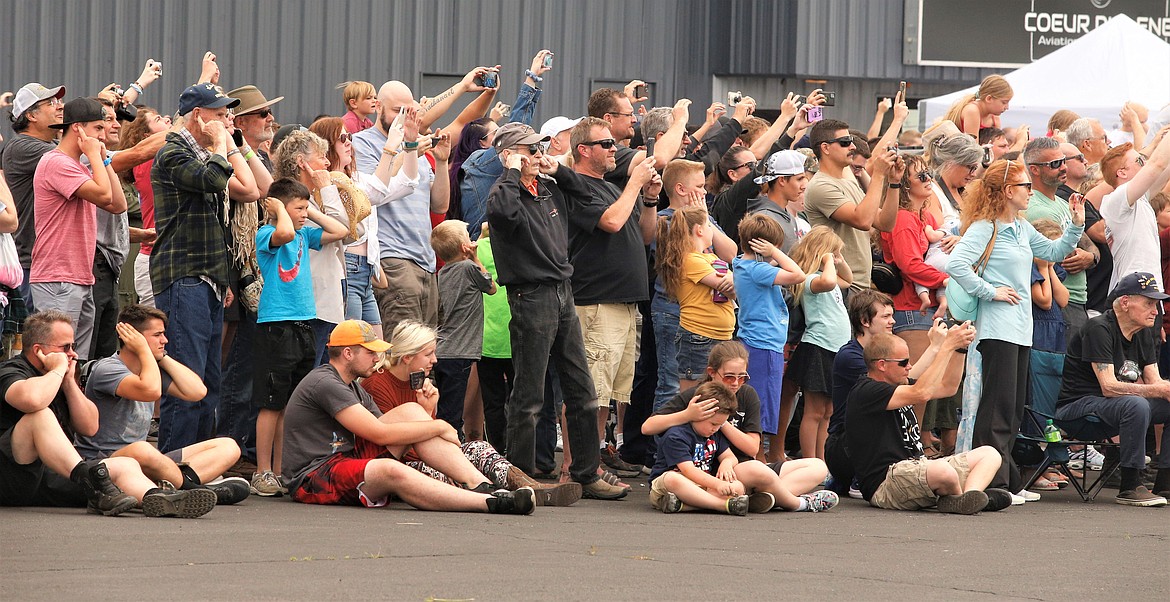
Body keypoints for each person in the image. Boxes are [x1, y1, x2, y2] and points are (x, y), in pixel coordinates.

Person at [484, 123, 627, 500]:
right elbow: (503, 215)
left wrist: (557, 169)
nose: (536, 155)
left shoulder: (547, 187)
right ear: (509, 154)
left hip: (562, 291)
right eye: (529, 150)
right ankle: (519, 476)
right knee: (528, 393)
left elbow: (583, 190)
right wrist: (513, 171)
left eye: (538, 149)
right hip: (531, 294)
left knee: (582, 388)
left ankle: (585, 472)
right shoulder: (504, 190)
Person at [280, 320, 535, 514]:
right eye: (370, 352)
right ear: (348, 353)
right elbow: (379, 434)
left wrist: (425, 413)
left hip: (345, 458)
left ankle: (480, 484)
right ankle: (489, 502)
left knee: (412, 414)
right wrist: (438, 426)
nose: (377, 358)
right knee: (391, 469)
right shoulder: (325, 382)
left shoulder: (352, 385)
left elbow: (396, 431)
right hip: (314, 476)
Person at [945, 159, 1085, 503]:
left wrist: (1076, 227)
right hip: (996, 327)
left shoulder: (1021, 227)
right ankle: (992, 481)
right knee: (998, 408)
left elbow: (1053, 252)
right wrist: (989, 291)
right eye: (1025, 186)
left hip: (1021, 328)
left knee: (1012, 409)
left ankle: (1004, 479)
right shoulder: (983, 227)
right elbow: (956, 264)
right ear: (1008, 191)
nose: (1029, 192)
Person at [0, 310, 215, 518]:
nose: (73, 354)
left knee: (126, 465)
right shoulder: (12, 370)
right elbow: (32, 400)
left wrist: (68, 384)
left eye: (73, 346)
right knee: (39, 416)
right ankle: (91, 481)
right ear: (38, 349)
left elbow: (90, 426)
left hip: (54, 478)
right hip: (12, 477)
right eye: (66, 347)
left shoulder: (60, 378)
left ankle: (162, 499)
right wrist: (57, 370)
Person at [360, 320, 581, 506]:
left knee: (479, 447)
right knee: (445, 470)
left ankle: (529, 486)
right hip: (401, 465)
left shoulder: (417, 381)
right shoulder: (377, 384)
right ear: (407, 356)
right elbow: (398, 443)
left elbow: (426, 436)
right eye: (428, 354)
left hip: (424, 455)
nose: (434, 360)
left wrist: (429, 411)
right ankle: (498, 492)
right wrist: (430, 415)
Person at [150, 83, 256, 454]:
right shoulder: (173, 153)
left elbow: (250, 189)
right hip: (184, 275)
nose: (227, 120)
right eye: (220, 113)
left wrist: (223, 278)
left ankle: (195, 463)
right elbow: (213, 179)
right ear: (199, 116)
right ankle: (171, 466)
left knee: (208, 379)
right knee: (186, 377)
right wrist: (221, 146)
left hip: (206, 277)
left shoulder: (207, 153)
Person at [351, 68, 491, 336]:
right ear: (378, 107)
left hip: (425, 259)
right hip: (393, 258)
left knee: (424, 350)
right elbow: (373, 191)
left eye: (408, 112)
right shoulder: (363, 143)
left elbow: (439, 206)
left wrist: (440, 162)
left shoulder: (414, 143)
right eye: (395, 111)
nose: (402, 119)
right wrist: (408, 150)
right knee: (403, 349)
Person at [74, 304, 250, 505]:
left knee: (229, 446)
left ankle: (174, 485)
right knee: (142, 449)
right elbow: (150, 391)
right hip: (107, 462)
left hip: (148, 461)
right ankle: (195, 490)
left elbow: (197, 392)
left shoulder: (151, 368)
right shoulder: (108, 369)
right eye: (157, 335)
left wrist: (162, 357)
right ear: (131, 336)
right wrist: (143, 350)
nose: (164, 340)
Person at [565, 116, 661, 477]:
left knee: (609, 393)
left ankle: (592, 462)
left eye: (613, 144)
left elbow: (645, 235)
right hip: (596, 301)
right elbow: (611, 222)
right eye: (606, 144)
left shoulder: (611, 187)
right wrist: (636, 183)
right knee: (588, 390)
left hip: (624, 302)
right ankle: (577, 465)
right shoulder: (578, 187)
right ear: (583, 150)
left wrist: (649, 199)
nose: (614, 150)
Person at [642, 342, 838, 512]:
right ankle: (786, 501)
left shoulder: (747, 395)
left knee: (817, 466)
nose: (736, 383)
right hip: (713, 472)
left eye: (742, 377)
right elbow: (648, 427)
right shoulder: (698, 395)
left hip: (739, 469)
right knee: (756, 470)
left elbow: (752, 448)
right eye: (729, 377)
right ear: (712, 373)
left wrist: (722, 421)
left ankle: (757, 499)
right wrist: (687, 415)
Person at [250, 178, 348, 496]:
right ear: (278, 207)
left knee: (290, 402)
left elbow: (341, 231)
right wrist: (278, 208)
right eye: (300, 208)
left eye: (306, 208)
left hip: (306, 321)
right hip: (277, 323)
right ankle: (263, 470)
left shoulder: (305, 232)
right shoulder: (269, 234)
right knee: (271, 401)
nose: (305, 214)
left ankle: (281, 470)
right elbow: (285, 233)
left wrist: (310, 211)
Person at [846, 330, 1012, 513]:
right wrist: (946, 346)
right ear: (882, 365)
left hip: (919, 469)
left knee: (990, 454)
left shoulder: (899, 386)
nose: (909, 366)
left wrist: (959, 349)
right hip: (886, 482)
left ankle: (970, 497)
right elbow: (922, 392)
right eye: (903, 362)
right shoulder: (866, 391)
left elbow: (948, 387)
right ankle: (959, 498)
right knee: (943, 471)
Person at [1055, 272, 1170, 506]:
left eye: (1156, 304)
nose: (1155, 311)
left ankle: (1165, 482)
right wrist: (1159, 390)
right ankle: (1130, 485)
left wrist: (1165, 389)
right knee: (1135, 403)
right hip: (1079, 409)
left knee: (1161, 403)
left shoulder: (1143, 333)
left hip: (1114, 408)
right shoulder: (1099, 328)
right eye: (1149, 303)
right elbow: (1108, 387)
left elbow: (1155, 381)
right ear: (1125, 302)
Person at [309, 111, 421, 341]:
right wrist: (389, 149)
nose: (349, 142)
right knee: (354, 345)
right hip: (348, 267)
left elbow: (407, 183)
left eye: (349, 136)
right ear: (327, 145)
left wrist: (410, 144)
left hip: (366, 270)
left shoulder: (357, 178)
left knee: (375, 347)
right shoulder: (327, 184)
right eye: (342, 138)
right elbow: (376, 192)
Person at [30, 97, 127, 360]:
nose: (103, 134)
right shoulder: (56, 162)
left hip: (80, 277)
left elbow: (118, 204)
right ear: (78, 129)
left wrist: (105, 161)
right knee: (56, 358)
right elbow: (104, 196)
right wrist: (95, 155)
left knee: (75, 361)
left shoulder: (78, 166)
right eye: (97, 128)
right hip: (58, 277)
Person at [271, 129, 352, 361]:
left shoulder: (316, 197)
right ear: (301, 162)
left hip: (331, 293)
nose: (328, 162)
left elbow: (357, 231)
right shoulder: (291, 202)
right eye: (321, 156)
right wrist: (327, 188)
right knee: (312, 371)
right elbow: (341, 230)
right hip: (313, 299)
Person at [731, 214, 805, 457]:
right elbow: (797, 275)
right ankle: (758, 459)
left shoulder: (742, 263)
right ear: (762, 246)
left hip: (757, 340)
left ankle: (759, 458)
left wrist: (771, 256)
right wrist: (775, 252)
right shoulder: (758, 270)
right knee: (762, 408)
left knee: (759, 404)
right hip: (764, 344)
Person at [803, 119, 899, 291]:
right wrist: (877, 174)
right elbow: (863, 221)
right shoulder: (821, 186)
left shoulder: (848, 181)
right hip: (840, 285)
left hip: (859, 284)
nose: (853, 147)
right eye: (845, 142)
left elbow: (886, 223)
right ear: (825, 148)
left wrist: (894, 182)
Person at [1023, 136, 1097, 344]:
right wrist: (1085, 254)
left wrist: (1090, 256)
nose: (1063, 168)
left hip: (1076, 301)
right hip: (1060, 304)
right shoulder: (1035, 209)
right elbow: (1061, 256)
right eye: (1055, 164)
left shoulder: (1062, 203)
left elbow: (1091, 246)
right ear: (1034, 169)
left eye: (1063, 161)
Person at [786, 227, 851, 462]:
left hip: (836, 349)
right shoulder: (812, 279)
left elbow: (848, 279)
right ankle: (810, 459)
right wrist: (825, 260)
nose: (835, 259)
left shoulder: (829, 278)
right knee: (814, 411)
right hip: (818, 347)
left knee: (828, 412)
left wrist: (839, 260)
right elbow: (831, 281)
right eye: (832, 254)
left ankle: (823, 462)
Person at [1, 82, 66, 311]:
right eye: (51, 103)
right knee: (36, 339)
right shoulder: (23, 147)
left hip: (50, 264)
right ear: (31, 115)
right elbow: (78, 157)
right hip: (31, 263)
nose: (60, 107)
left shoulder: (54, 146)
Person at [655, 205, 736, 391]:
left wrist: (733, 280)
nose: (712, 231)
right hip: (699, 336)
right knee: (692, 395)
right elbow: (729, 287)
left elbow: (734, 287)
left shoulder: (710, 257)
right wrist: (733, 280)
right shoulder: (691, 259)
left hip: (720, 336)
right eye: (709, 225)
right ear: (699, 230)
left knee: (714, 395)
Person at [428, 219, 495, 433]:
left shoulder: (444, 272)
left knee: (446, 404)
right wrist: (475, 257)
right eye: (468, 239)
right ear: (463, 247)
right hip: (460, 351)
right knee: (452, 413)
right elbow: (491, 287)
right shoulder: (468, 267)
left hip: (443, 350)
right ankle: (450, 449)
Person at [1099, 135, 1170, 292]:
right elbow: (1157, 165)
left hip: (1147, 290)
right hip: (1133, 293)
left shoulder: (1140, 199)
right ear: (1122, 173)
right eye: (1139, 161)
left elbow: (1165, 168)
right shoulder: (1115, 200)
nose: (1145, 164)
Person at [943, 75, 1013, 136]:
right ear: (989, 98)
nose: (1007, 107)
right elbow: (973, 148)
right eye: (1004, 102)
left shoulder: (994, 118)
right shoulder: (972, 111)